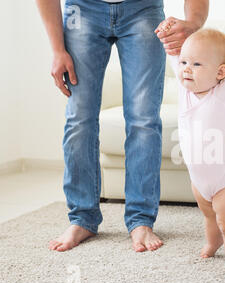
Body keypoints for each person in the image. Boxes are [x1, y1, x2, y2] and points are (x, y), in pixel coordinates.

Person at [35, 0, 209, 252]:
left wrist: (193, 23)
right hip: (82, 10)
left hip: (143, 9)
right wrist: (57, 49)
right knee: (79, 118)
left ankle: (140, 220)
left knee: (143, 120)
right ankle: (82, 218)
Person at [157, 20, 225, 273]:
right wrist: (167, 31)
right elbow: (174, 52)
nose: (186, 69)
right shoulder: (185, 88)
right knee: (209, 218)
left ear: (220, 72)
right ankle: (212, 242)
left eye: (196, 64)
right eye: (185, 63)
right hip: (199, 181)